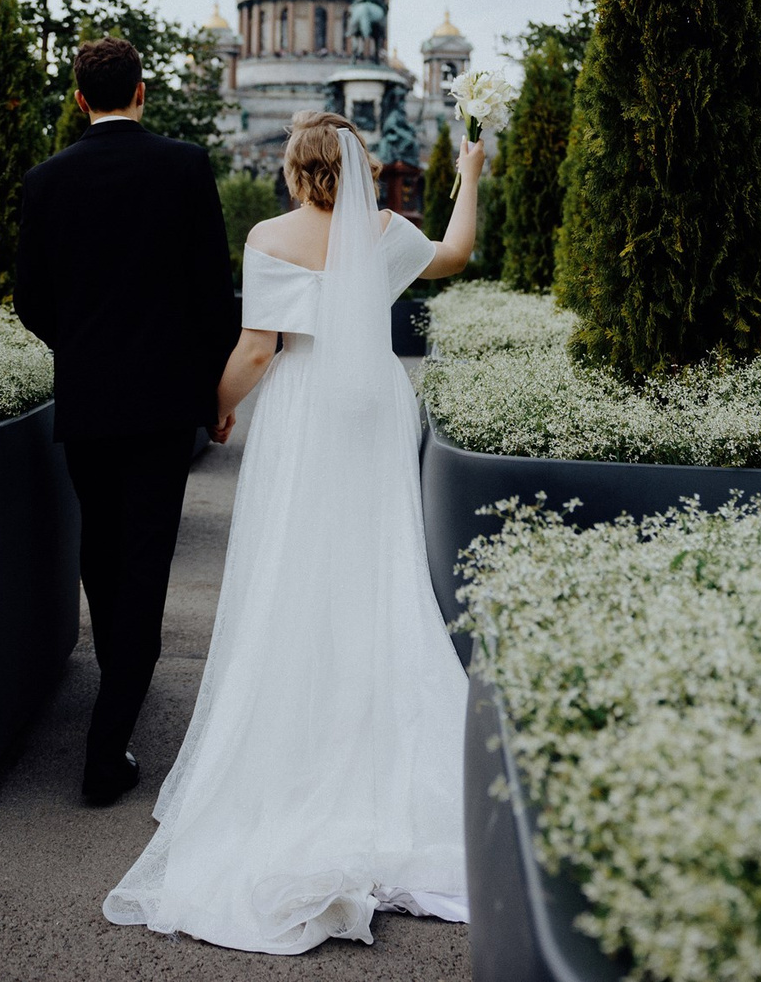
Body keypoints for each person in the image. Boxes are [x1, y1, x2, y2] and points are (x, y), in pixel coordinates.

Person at [104, 109, 485, 953]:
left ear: (292, 169)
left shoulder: (269, 236)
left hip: (304, 411)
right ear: (353, 170)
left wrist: (217, 408)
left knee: (292, 565)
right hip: (375, 407)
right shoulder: (384, 231)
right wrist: (470, 172)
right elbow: (455, 257)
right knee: (379, 565)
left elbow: (258, 349)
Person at [14, 37, 238, 806]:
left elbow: (30, 301)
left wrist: (81, 348)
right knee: (143, 563)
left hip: (88, 399)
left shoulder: (45, 181)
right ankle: (107, 746)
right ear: (142, 91)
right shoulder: (183, 166)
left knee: (101, 557)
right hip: (163, 402)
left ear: (80, 98)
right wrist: (213, 391)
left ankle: (115, 707)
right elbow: (214, 292)